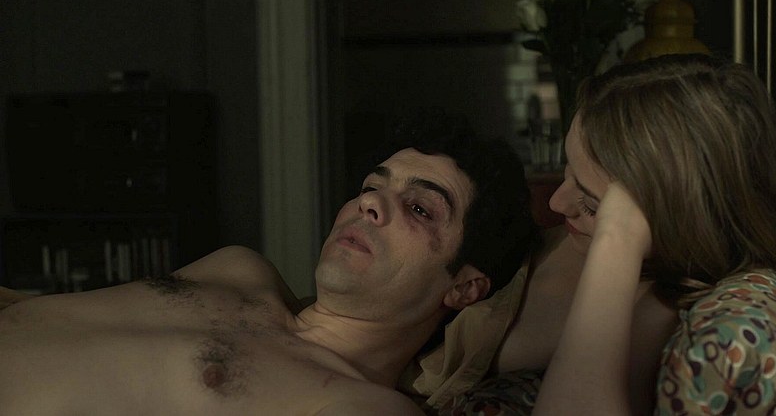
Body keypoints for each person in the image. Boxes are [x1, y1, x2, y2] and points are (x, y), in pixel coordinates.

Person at [0, 113, 539, 415]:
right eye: (371, 186)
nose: (370, 203)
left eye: (420, 208)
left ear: (465, 287)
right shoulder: (238, 269)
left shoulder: (357, 406)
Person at [478, 54, 776, 415]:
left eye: (590, 204)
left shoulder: (655, 309)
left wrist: (616, 236)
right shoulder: (568, 242)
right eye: (566, 171)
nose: (556, 202)